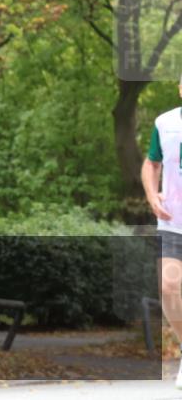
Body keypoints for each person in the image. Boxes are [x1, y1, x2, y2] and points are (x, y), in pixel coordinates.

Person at [142, 73, 182, 390]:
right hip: (174, 220)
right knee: (169, 287)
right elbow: (152, 163)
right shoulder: (164, 123)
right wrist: (152, 194)